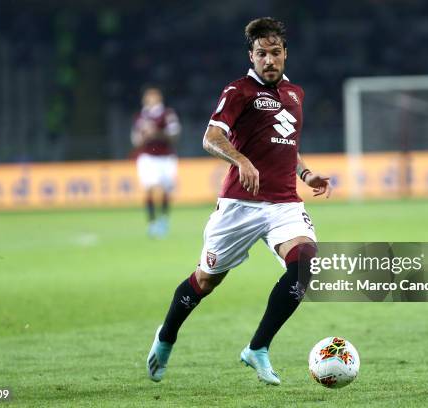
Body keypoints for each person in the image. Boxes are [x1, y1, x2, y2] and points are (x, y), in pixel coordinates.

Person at [146, 17, 332, 386]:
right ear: (251, 55)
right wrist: (241, 160)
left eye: (275, 53)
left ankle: (257, 348)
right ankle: (166, 336)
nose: (269, 60)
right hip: (239, 206)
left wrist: (306, 173)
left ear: (285, 55)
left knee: (304, 264)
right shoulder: (239, 91)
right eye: (261, 53)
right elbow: (210, 137)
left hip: (284, 206)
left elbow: (286, 144)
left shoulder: (296, 95)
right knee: (206, 281)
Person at [131, 87, 181, 238]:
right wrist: (144, 136)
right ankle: (152, 222)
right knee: (150, 188)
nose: (151, 100)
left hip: (165, 157)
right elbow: (135, 140)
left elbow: (174, 135)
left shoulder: (167, 114)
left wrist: (157, 133)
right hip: (148, 157)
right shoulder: (140, 117)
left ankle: (164, 219)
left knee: (166, 190)